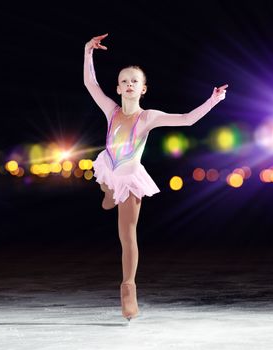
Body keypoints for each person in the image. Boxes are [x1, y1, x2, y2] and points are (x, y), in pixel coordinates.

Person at [83, 33, 228, 321]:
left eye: (134, 81)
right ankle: (107, 191)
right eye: (124, 80)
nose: (128, 84)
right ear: (118, 87)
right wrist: (88, 51)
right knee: (103, 179)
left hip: (129, 177)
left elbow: (186, 118)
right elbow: (90, 83)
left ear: (143, 89)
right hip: (109, 169)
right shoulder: (111, 110)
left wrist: (212, 101)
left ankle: (128, 288)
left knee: (127, 236)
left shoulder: (148, 117)